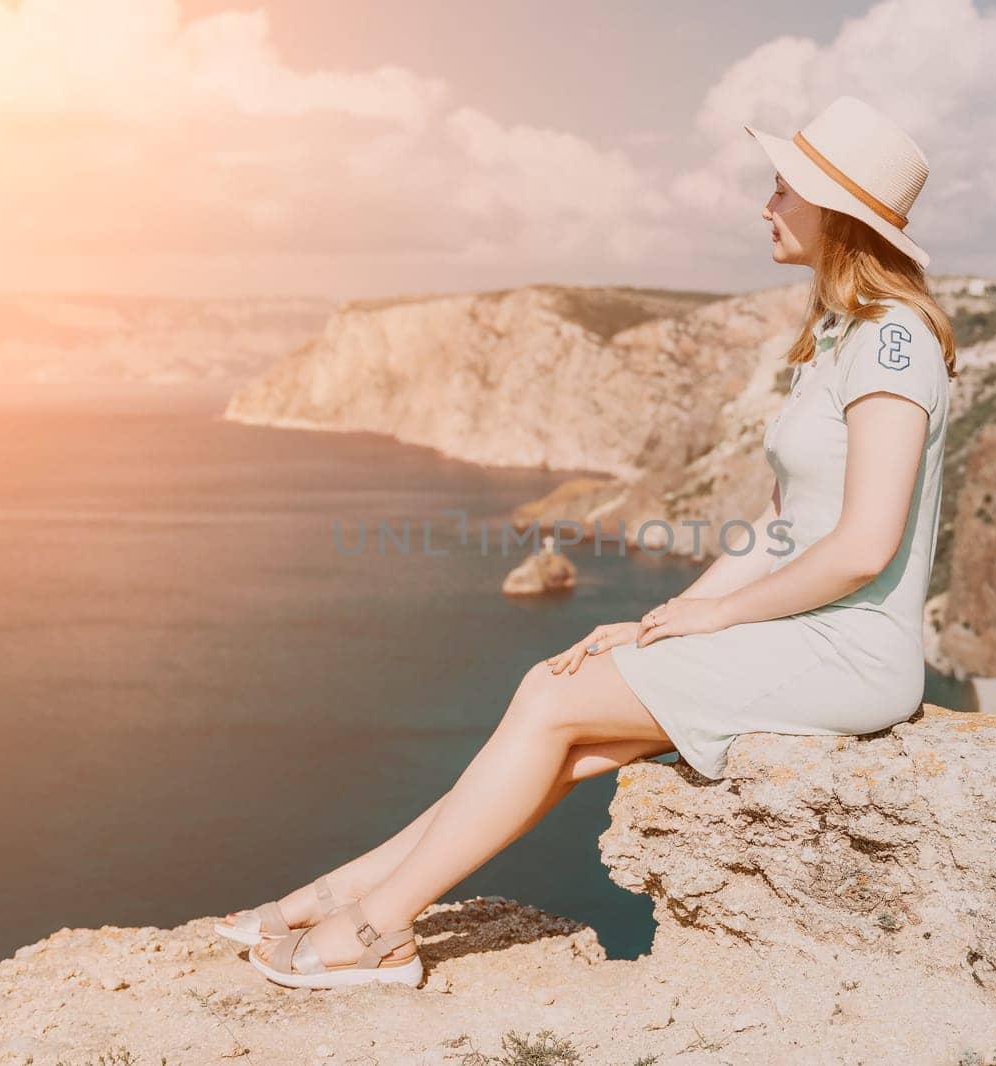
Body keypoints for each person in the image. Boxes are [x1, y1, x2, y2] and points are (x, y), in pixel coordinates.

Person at [216, 95, 958, 989]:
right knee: (564, 733)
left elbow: (860, 548)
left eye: (783, 189)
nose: (765, 204)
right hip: (803, 631)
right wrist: (672, 616)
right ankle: (351, 891)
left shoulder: (894, 345)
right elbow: (779, 527)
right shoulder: (836, 337)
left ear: (837, 216)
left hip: (851, 650)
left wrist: (717, 616)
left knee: (548, 698)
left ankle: (378, 930)